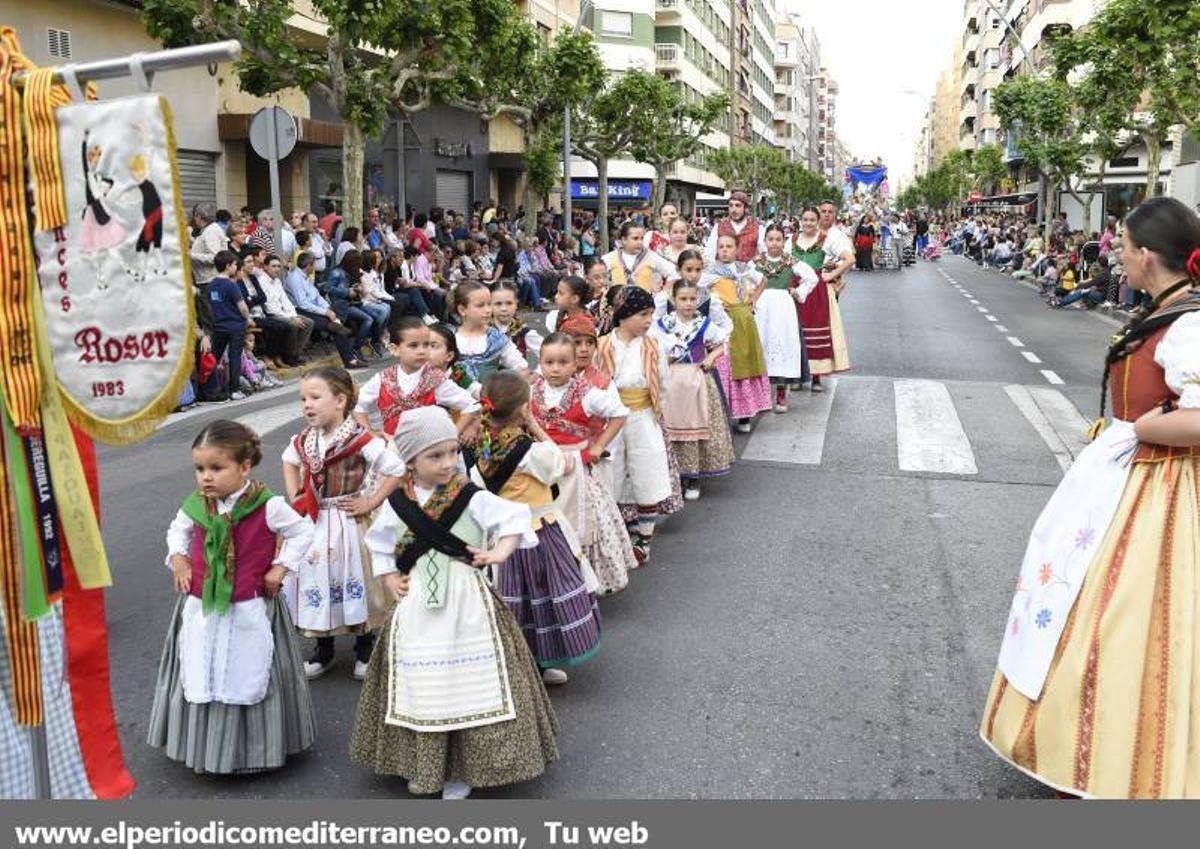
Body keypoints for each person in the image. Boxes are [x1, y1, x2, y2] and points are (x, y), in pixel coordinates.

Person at [981, 196, 1200, 799]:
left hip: (1165, 488)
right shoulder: (1171, 310)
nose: (1120, 257)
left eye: (1125, 248)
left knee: (1125, 623)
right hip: (1138, 480)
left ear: (1148, 255)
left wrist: (1140, 429)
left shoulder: (1189, 323)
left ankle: (1123, 760)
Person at [350, 406, 559, 799]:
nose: (447, 463)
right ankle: (426, 763)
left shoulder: (471, 496)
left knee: (471, 679)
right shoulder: (397, 505)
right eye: (435, 456)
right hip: (416, 609)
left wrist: (498, 553)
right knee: (423, 682)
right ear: (410, 461)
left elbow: (515, 518)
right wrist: (391, 575)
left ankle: (467, 768)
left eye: (450, 452)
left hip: (467, 604)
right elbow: (378, 543)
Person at [148, 420, 316, 774]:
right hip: (201, 607)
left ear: (244, 467)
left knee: (249, 671)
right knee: (200, 666)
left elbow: (302, 531)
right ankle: (205, 750)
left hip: (250, 605)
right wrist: (179, 559)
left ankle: (253, 753)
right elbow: (176, 532)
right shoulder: (196, 505)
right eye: (200, 469)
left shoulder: (266, 505)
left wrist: (280, 567)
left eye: (216, 468)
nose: (206, 477)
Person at [471, 372, 602, 684]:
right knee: (543, 597)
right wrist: (536, 426)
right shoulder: (530, 451)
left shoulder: (483, 449)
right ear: (524, 409)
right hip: (539, 532)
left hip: (501, 535)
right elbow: (562, 463)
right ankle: (538, 662)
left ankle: (519, 662)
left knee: (516, 599)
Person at [281, 367, 404, 681]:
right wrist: (294, 493)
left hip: (348, 520)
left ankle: (365, 646)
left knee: (356, 579)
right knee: (316, 579)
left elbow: (396, 468)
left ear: (340, 400)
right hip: (314, 520)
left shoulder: (359, 438)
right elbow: (289, 460)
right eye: (303, 399)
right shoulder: (305, 439)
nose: (307, 405)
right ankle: (324, 649)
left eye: (315, 397)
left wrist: (370, 501)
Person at [530, 329, 635, 596]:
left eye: (563, 362)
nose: (555, 369)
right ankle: (548, 582)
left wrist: (598, 445)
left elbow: (619, 413)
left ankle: (582, 582)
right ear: (540, 363)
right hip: (541, 469)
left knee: (585, 522)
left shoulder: (586, 392)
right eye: (549, 362)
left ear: (575, 364)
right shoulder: (533, 390)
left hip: (576, 468)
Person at [596, 287, 682, 563]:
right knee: (614, 474)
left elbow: (663, 383)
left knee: (646, 472)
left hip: (643, 415)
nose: (648, 321)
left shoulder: (652, 346)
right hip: (611, 421)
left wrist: (654, 410)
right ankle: (621, 533)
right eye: (643, 315)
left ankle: (644, 539)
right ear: (624, 314)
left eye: (650, 315)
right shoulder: (603, 345)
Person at [653, 277, 734, 501]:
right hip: (671, 382)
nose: (688, 303)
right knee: (670, 427)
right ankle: (674, 474)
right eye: (683, 299)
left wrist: (710, 358)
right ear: (674, 299)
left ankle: (694, 476)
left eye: (692, 299)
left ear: (698, 300)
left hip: (697, 380)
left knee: (696, 427)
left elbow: (723, 342)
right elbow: (654, 348)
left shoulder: (704, 324)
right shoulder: (663, 324)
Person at [352, 317, 480, 439]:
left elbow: (471, 405)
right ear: (394, 349)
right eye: (413, 345)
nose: (422, 351)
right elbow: (357, 405)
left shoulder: (435, 381)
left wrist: (452, 436)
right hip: (393, 452)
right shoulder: (382, 379)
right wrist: (369, 434)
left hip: (427, 451)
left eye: (426, 345)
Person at [703, 233, 771, 432]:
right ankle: (723, 410)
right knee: (724, 364)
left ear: (737, 248)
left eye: (729, 246)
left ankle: (744, 414)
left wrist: (753, 300)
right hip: (721, 321)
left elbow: (762, 280)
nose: (724, 250)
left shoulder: (743, 269)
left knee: (744, 363)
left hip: (743, 320)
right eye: (721, 246)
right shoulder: (710, 272)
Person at [754, 225, 816, 412]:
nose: (774, 243)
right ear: (765, 241)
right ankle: (761, 394)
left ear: (784, 241)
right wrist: (750, 296)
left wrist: (797, 292)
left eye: (778, 240)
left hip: (783, 308)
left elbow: (811, 277)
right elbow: (744, 280)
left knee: (782, 344)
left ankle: (781, 391)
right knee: (761, 344)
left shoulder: (790, 262)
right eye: (770, 239)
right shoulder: (756, 262)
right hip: (761, 308)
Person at [792, 206, 851, 392]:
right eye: (805, 219)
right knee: (796, 330)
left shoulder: (825, 240)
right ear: (801, 221)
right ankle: (797, 375)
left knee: (816, 329)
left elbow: (849, 259)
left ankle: (816, 375)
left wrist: (829, 275)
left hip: (817, 291)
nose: (808, 223)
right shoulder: (792, 240)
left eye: (812, 220)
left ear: (817, 222)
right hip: (796, 288)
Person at [285, 252, 362, 368]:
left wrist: (327, 308)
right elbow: (303, 304)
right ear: (308, 265)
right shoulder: (295, 278)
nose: (315, 267)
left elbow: (317, 297)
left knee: (341, 306)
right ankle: (350, 359)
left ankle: (338, 323)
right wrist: (326, 312)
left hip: (314, 309)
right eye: (313, 265)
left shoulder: (306, 277)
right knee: (337, 328)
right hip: (300, 311)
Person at [452, 282, 529, 384]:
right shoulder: (449, 338)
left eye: (489, 304)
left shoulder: (497, 339)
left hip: (489, 398)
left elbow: (521, 368)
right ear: (462, 310)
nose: (488, 310)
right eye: (480, 306)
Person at [203, 251, 251, 401]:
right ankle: (234, 390)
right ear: (228, 266)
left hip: (218, 327)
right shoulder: (231, 285)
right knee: (234, 356)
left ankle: (209, 389)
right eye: (235, 264)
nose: (236, 267)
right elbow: (242, 307)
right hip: (235, 326)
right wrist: (246, 317)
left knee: (214, 358)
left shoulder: (210, 286)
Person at [602, 222, 679, 293]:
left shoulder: (650, 256)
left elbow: (673, 273)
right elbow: (596, 276)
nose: (640, 242)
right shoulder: (610, 257)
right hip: (618, 306)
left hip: (646, 306)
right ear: (624, 239)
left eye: (642, 238)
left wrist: (662, 295)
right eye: (635, 238)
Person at [703, 190, 766, 264]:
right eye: (731, 205)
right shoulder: (718, 227)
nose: (734, 209)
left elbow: (765, 253)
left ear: (746, 208)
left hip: (748, 273)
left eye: (738, 205)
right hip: (723, 273)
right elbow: (709, 255)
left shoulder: (758, 229)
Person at [491, 281, 543, 360]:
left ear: (516, 303)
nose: (504, 309)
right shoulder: (481, 330)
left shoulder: (522, 331)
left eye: (509, 303)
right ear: (489, 304)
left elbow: (549, 354)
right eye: (498, 304)